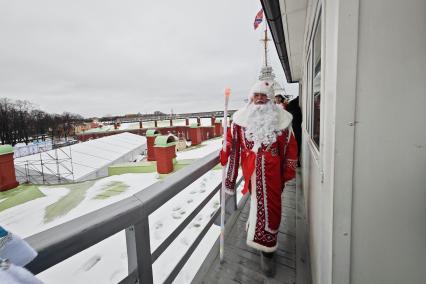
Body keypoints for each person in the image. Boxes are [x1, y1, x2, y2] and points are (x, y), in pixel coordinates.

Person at [220, 80, 298, 277]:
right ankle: (259, 238)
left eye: (264, 96)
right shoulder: (240, 119)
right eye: (256, 95)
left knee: (272, 209)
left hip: (273, 173)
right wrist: (225, 147)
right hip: (251, 171)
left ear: (271, 99)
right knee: (256, 203)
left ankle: (268, 251)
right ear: (251, 97)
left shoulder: (282, 119)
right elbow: (233, 142)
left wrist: (287, 172)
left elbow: (291, 146)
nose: (260, 99)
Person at [286, 96, 302, 166]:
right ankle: (297, 160)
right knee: (297, 145)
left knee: (294, 146)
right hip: (297, 129)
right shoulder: (297, 110)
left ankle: (296, 161)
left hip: (293, 130)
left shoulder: (290, 111)